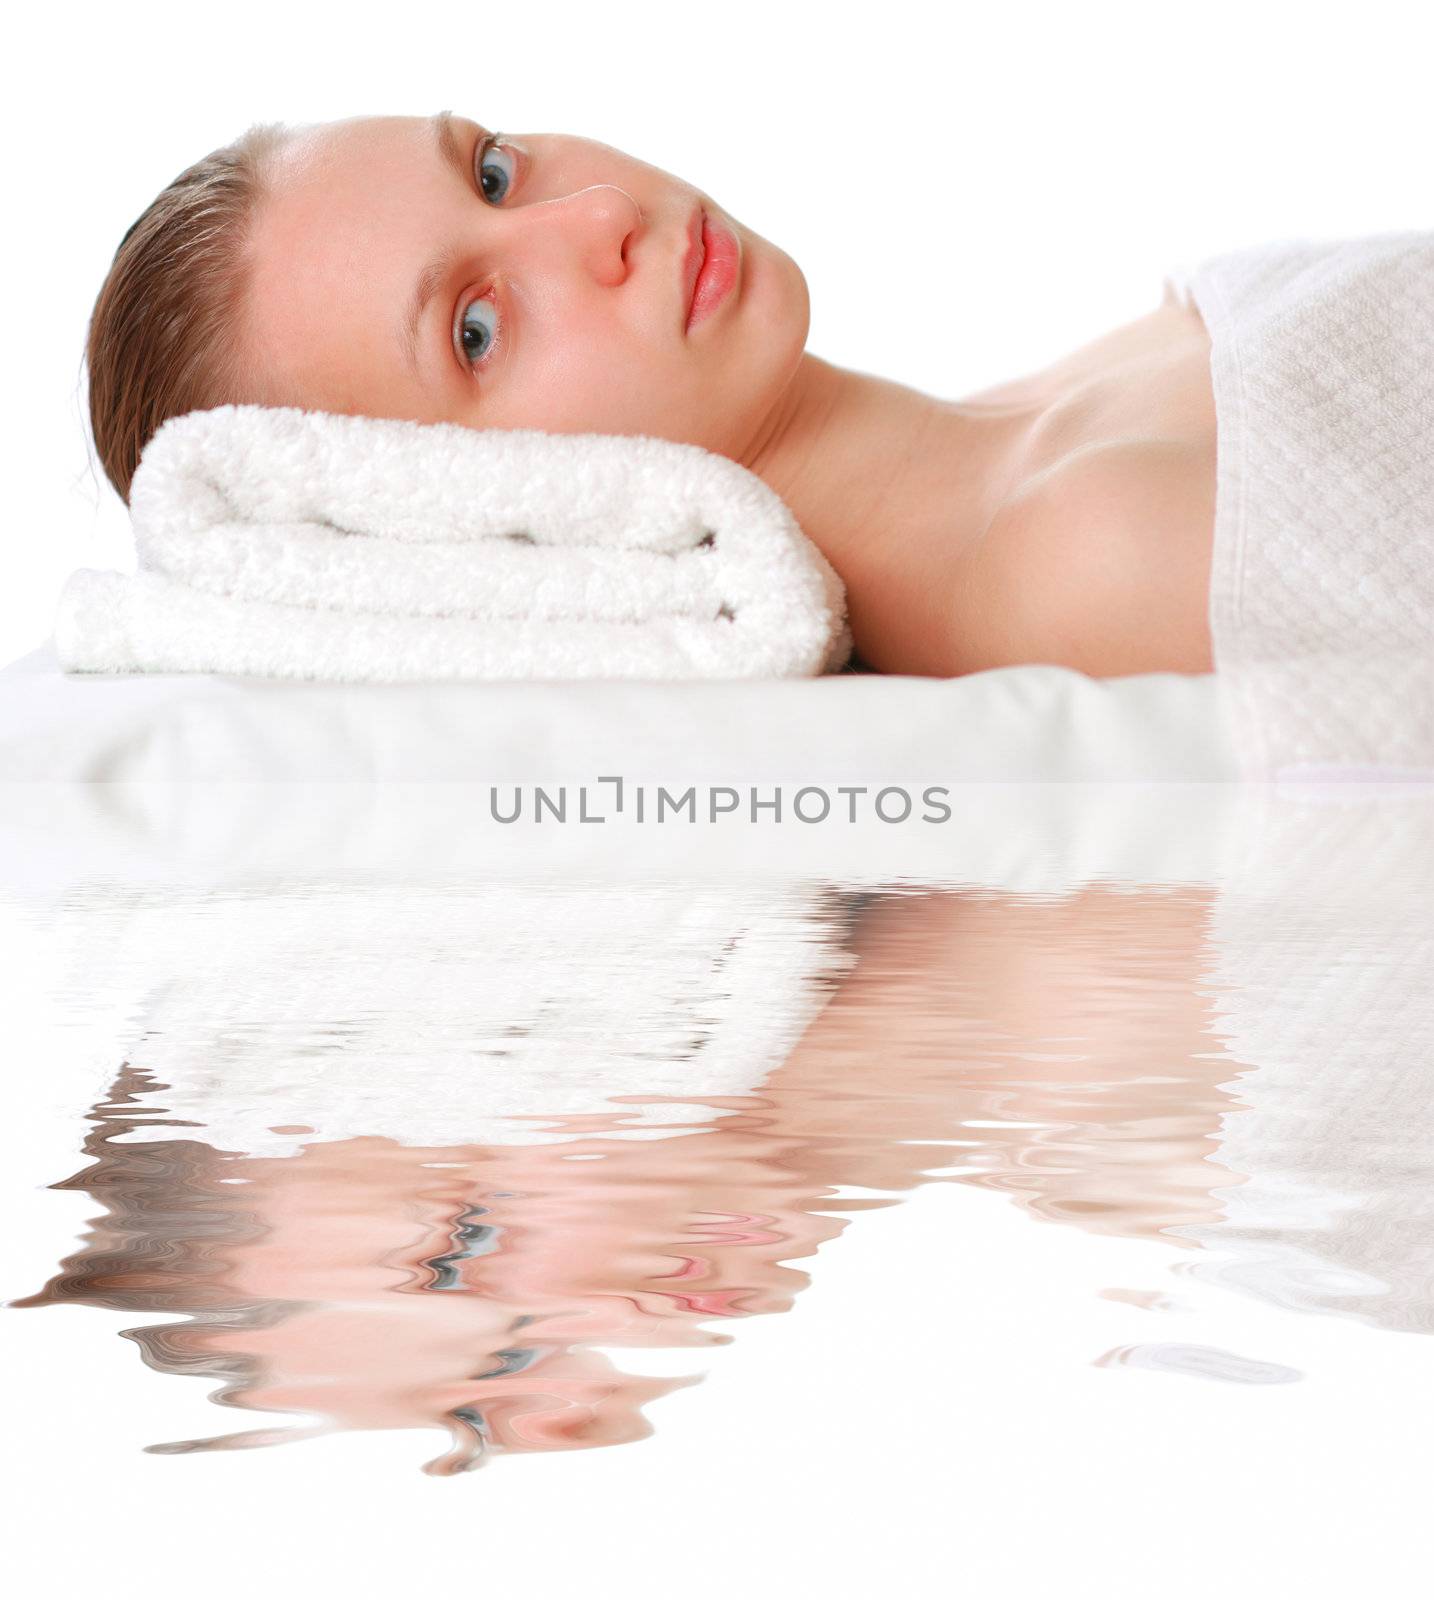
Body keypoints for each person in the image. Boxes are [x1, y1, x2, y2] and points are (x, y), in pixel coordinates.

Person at [84, 111, 1217, 679]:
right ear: (449, 519)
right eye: (475, 330)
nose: (597, 218)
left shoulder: (1057, 423)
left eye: (491, 171)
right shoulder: (1090, 559)